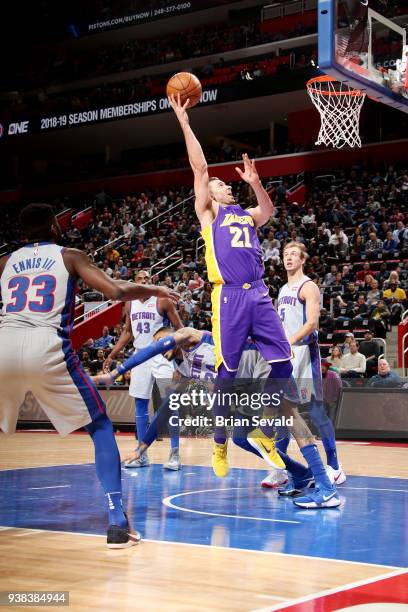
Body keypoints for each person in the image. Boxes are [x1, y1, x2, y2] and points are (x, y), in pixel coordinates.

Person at [0, 203, 179, 548]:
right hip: (45, 344)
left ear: (23, 232)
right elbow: (115, 291)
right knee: (100, 426)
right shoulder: (69, 255)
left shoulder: (5, 262)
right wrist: (154, 290)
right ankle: (116, 521)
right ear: (54, 225)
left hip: (5, 344)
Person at [169, 94, 293, 481]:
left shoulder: (246, 214)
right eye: (220, 184)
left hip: (258, 292)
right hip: (228, 295)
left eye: (224, 184)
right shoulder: (209, 213)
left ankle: (264, 430)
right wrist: (185, 122)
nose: (223, 186)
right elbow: (200, 167)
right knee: (226, 373)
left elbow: (268, 211)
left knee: (284, 363)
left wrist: (257, 184)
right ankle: (219, 441)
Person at [270, 242, 344, 504]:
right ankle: (290, 473)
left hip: (304, 354)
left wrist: (288, 342)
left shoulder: (309, 286)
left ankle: (334, 465)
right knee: (285, 413)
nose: (288, 258)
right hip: (286, 355)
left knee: (313, 412)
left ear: (302, 259)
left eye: (293, 255)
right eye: (285, 255)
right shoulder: (281, 290)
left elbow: (312, 323)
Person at [103, 269, 183, 470]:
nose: (144, 281)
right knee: (140, 405)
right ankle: (142, 454)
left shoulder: (162, 300)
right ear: (135, 283)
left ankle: (175, 454)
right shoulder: (130, 303)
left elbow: (180, 328)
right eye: (140, 279)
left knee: (170, 404)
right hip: (140, 356)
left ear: (152, 281)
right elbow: (128, 332)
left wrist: (177, 353)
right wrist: (112, 354)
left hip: (161, 355)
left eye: (147, 278)